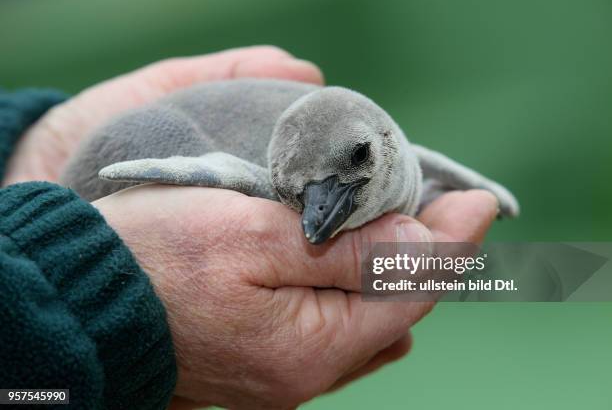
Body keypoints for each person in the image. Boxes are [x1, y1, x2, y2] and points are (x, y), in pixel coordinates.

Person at [0, 46, 499, 410]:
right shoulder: (320, 163)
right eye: (301, 194)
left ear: (392, 143)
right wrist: (82, 288)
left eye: (359, 158)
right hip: (138, 155)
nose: (319, 213)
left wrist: (17, 154)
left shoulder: (383, 150)